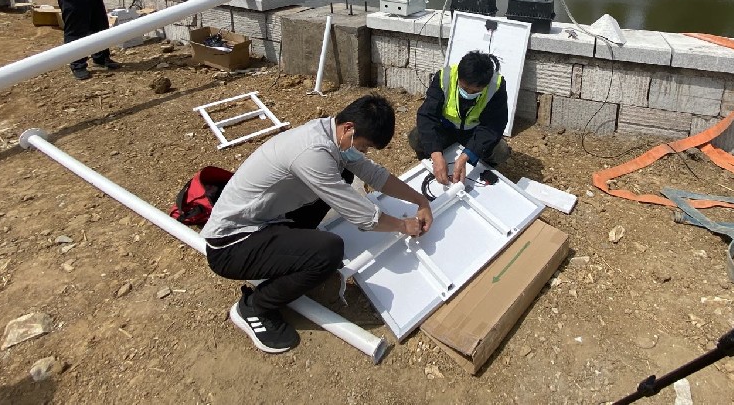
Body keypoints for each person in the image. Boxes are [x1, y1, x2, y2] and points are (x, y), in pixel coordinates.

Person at [202, 95, 433, 354]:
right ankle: (255, 307)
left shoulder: (331, 133)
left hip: (268, 220)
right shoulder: (313, 153)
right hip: (231, 245)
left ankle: (293, 256)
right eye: (364, 147)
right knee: (329, 251)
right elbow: (364, 217)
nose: (364, 153)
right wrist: (404, 226)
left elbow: (374, 174)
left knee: (345, 172)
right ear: (349, 128)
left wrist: (419, 199)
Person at [409, 50, 510, 185]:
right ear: (459, 78)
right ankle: (431, 163)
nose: (468, 93)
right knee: (416, 137)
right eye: (464, 88)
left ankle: (482, 166)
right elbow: (427, 115)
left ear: (485, 85)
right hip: (446, 129)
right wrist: (436, 155)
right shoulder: (445, 77)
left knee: (500, 151)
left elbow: (493, 126)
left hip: (474, 133)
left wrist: (467, 155)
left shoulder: (496, 86)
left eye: (475, 91)